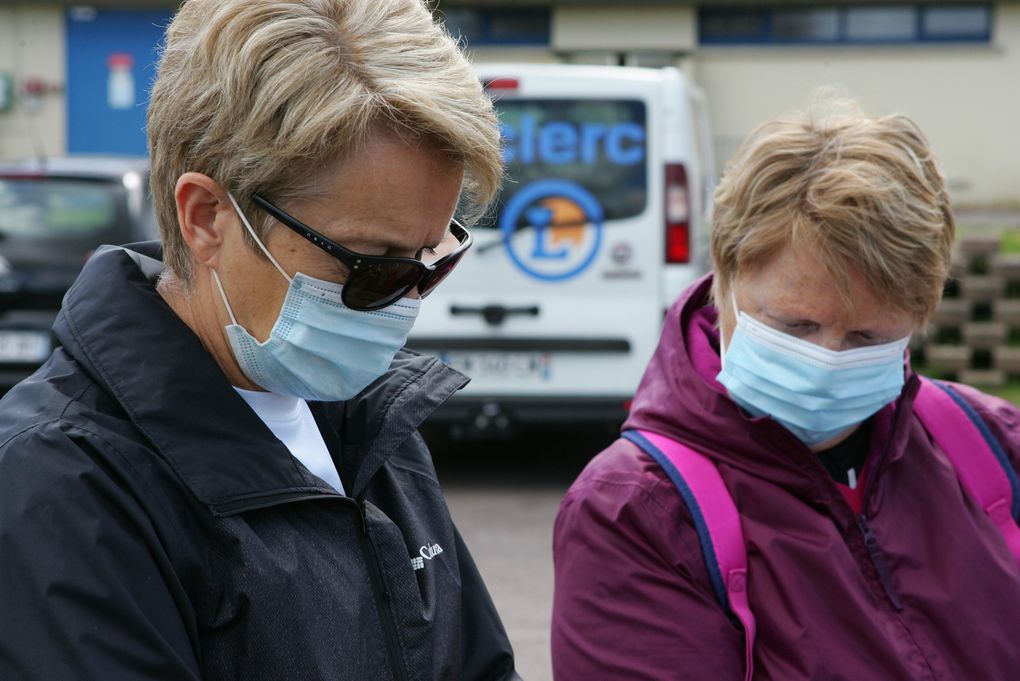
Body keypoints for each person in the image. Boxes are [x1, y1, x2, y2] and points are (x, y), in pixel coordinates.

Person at [0, 1, 521, 679]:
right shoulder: (62, 490)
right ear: (207, 217)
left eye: (432, 261)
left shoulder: (369, 425)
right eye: (370, 267)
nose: (405, 303)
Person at [551, 97, 1020, 680]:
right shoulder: (637, 511)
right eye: (794, 326)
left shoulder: (992, 445)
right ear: (723, 278)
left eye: (866, 336)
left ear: (920, 319)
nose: (825, 362)